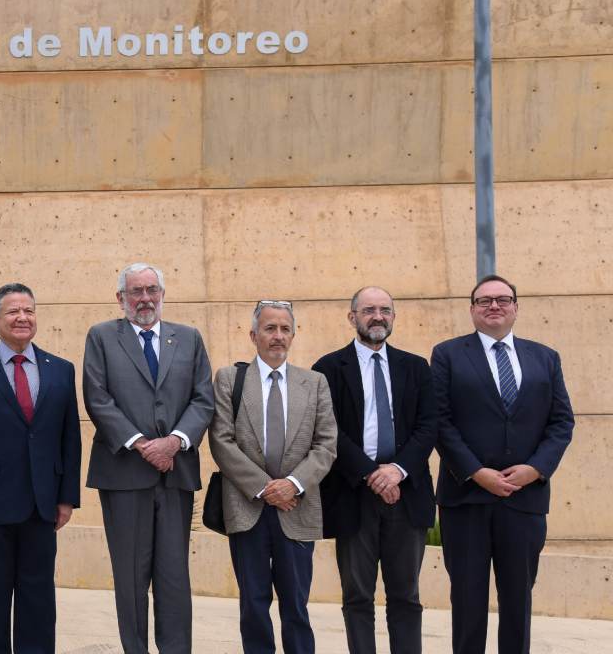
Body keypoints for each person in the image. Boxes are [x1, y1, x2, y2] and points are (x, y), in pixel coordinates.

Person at [432, 275, 574, 654]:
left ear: (516, 307)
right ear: (472, 309)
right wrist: (477, 472)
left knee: (518, 601)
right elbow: (440, 421)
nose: (494, 306)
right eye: (484, 300)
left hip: (524, 501)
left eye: (502, 299)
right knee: (467, 599)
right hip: (466, 500)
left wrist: (536, 469)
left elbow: (561, 422)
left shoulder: (545, 357)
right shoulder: (447, 354)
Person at [82, 263, 215, 654]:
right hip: (123, 475)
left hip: (176, 474)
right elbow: (97, 397)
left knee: (174, 576)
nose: (145, 298)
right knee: (131, 577)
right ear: (120, 297)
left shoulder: (188, 338)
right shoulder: (102, 337)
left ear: (162, 294)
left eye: (152, 290)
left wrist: (174, 441)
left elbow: (203, 398)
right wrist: (142, 444)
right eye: (136, 291)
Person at [0, 283, 82, 654]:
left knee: (38, 602)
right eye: (13, 312)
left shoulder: (61, 371)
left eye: (29, 311)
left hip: (43, 506)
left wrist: (67, 497)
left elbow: (70, 438)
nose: (22, 318)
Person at [312, 286, 437, 654]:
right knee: (357, 597)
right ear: (353, 318)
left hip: (407, 494)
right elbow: (329, 430)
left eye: (385, 310)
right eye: (368, 310)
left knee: (406, 597)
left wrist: (396, 471)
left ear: (394, 317)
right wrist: (371, 473)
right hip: (354, 496)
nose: (377, 316)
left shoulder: (416, 367)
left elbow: (429, 426)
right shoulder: (328, 369)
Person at [208, 300, 337, 654]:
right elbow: (221, 441)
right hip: (247, 509)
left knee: (296, 606)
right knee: (253, 604)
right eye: (269, 328)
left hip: (296, 508)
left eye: (284, 329)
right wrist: (266, 488)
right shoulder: (230, 380)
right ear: (253, 335)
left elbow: (326, 444)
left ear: (293, 335)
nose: (277, 336)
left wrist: (292, 485)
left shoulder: (315, 383)